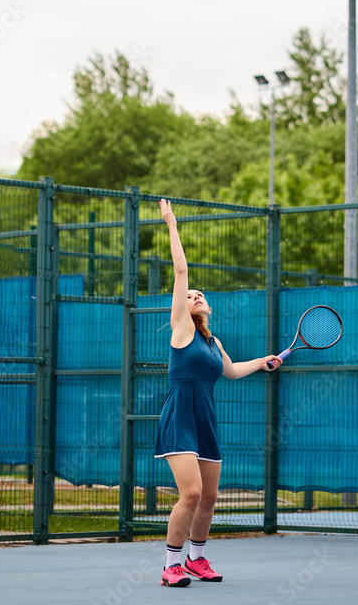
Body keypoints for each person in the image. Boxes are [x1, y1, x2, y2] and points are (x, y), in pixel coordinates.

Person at [154, 199, 282, 587]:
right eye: (189, 294)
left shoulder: (214, 342)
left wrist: (262, 361)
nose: (195, 295)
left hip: (205, 419)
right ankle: (170, 565)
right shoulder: (181, 328)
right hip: (180, 418)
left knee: (209, 497)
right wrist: (171, 223)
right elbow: (180, 269)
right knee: (190, 493)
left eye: (199, 294)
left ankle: (197, 558)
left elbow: (230, 371)